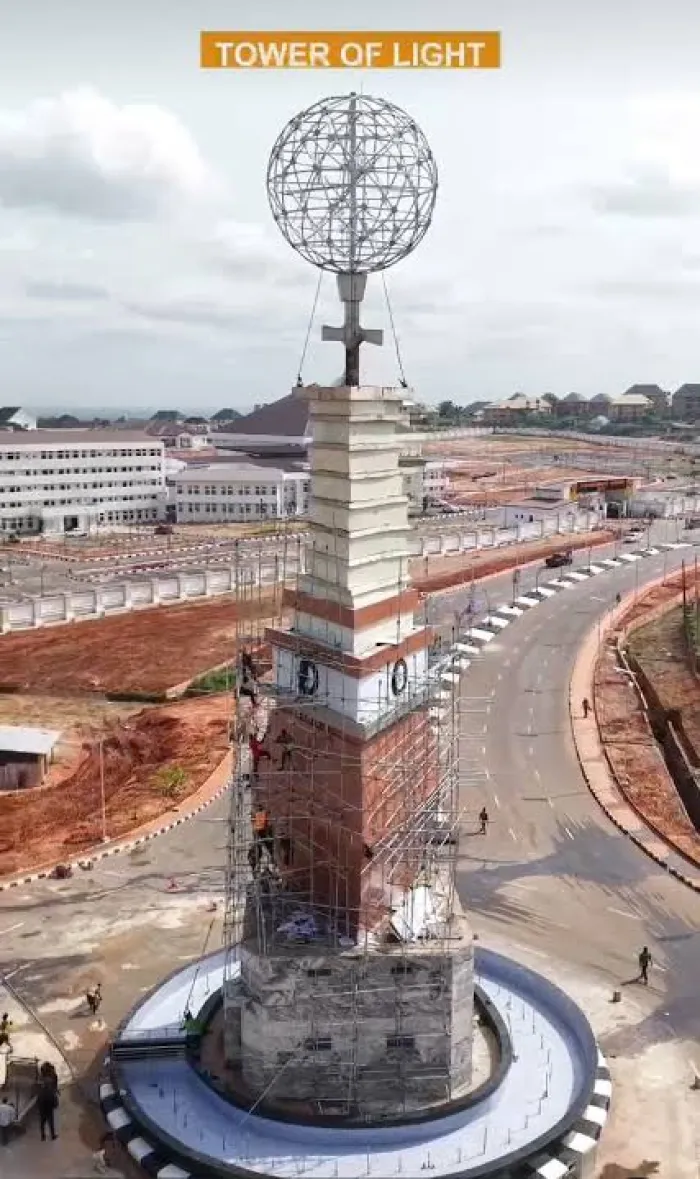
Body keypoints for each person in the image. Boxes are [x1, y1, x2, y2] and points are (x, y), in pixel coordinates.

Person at [37, 1070, 58, 1140]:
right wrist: (55, 1106)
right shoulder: (50, 1092)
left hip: (42, 1111)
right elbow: (54, 1100)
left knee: (42, 1124)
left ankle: (43, 1136)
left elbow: (38, 1100)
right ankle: (53, 1136)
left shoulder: (41, 1092)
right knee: (51, 1123)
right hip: (49, 1110)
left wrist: (39, 1109)